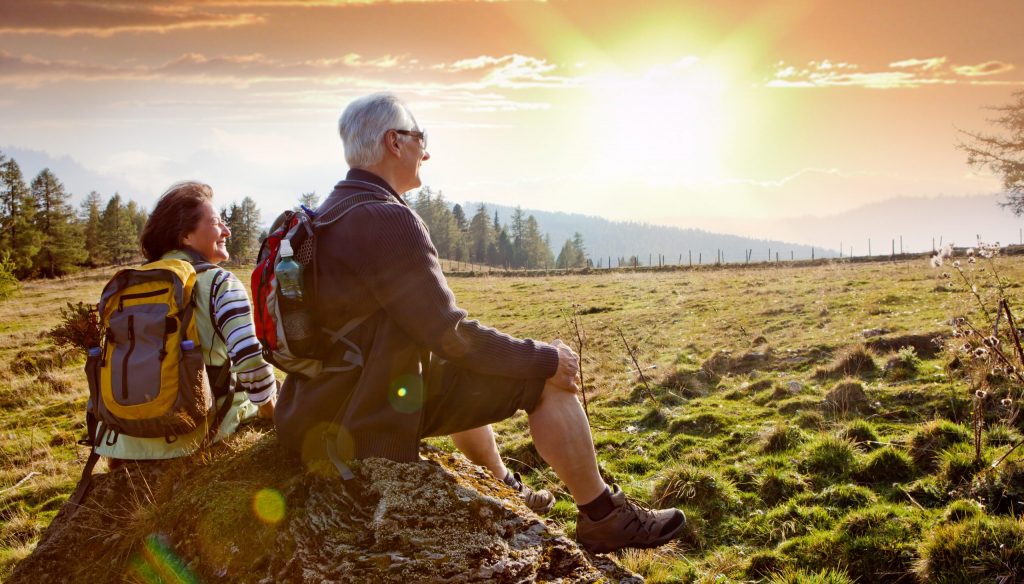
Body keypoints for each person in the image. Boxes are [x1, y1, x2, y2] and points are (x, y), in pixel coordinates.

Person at [273, 92, 685, 553]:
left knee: (464, 370)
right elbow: (450, 336)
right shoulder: (386, 219)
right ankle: (604, 516)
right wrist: (545, 357)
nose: (425, 151)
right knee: (545, 381)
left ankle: (505, 484)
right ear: (394, 142)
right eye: (419, 137)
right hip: (361, 419)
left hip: (315, 408)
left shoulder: (325, 214)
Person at [95, 181, 277, 461]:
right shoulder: (220, 282)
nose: (227, 231)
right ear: (186, 237)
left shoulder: (130, 285)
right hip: (193, 434)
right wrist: (271, 414)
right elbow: (249, 361)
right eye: (216, 222)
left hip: (126, 441)